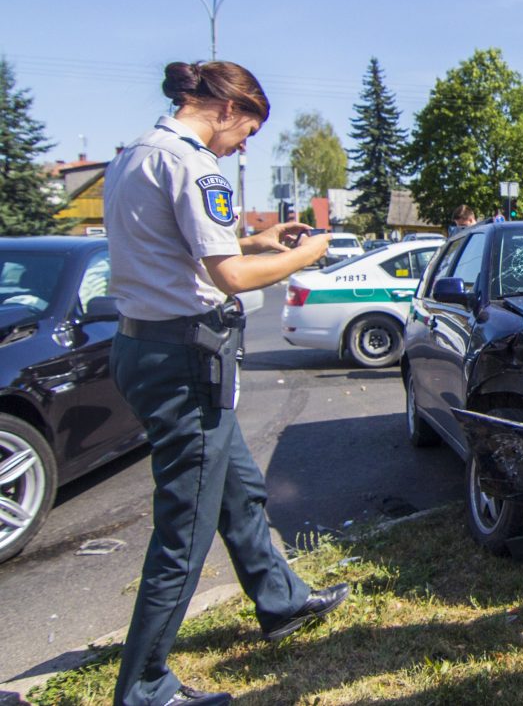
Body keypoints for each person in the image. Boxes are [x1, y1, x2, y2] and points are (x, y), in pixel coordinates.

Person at [104, 61, 349, 706]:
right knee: (184, 527)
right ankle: (145, 687)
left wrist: (258, 239)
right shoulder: (194, 164)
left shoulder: (135, 154)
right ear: (228, 109)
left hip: (143, 345)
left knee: (238, 488)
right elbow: (229, 278)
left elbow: (173, 244)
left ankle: (281, 599)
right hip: (183, 358)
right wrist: (303, 256)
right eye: (248, 131)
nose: (244, 147)